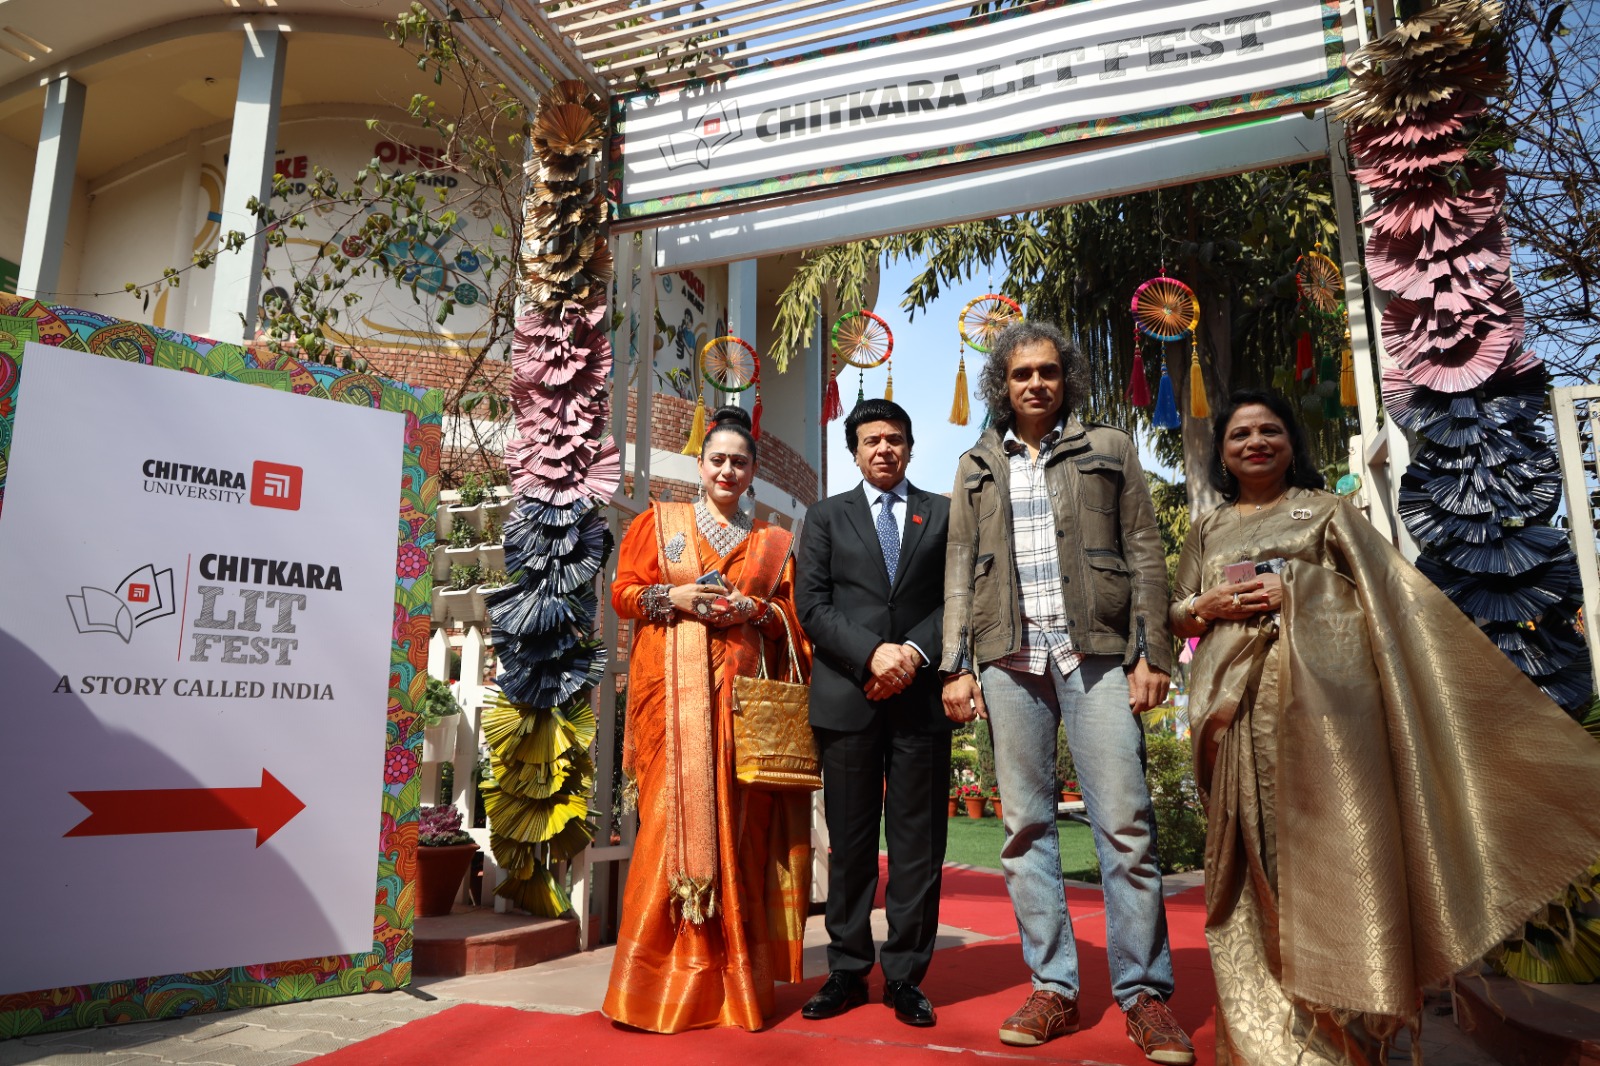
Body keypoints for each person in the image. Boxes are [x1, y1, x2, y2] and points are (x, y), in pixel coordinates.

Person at [1171, 390, 1600, 1065]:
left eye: (1269, 430)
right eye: (1240, 434)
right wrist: (1208, 602)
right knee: (1248, 872)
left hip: (1325, 721)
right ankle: (1265, 1045)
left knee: (1330, 864)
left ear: (1291, 443)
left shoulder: (1328, 511)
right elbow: (1178, 614)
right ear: (1222, 453)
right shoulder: (1209, 527)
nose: (1255, 442)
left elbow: (1388, 598)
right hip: (1233, 716)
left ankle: (1340, 1042)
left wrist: (1300, 588)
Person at [940, 321, 1194, 1065]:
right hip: (1007, 659)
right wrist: (956, 665)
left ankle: (1143, 995)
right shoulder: (976, 464)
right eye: (1021, 374)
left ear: (1066, 377)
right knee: (1024, 828)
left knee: (1126, 824)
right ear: (1003, 384)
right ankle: (1052, 985)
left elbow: (1145, 548)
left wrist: (1153, 652)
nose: (1035, 384)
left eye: (1047, 371)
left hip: (1099, 654)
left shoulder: (1108, 447)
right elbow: (959, 566)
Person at [602, 406, 813, 1033]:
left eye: (739, 462)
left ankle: (734, 986)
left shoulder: (772, 544)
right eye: (717, 459)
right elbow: (623, 592)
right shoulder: (660, 523)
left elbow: (794, 624)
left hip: (741, 706)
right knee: (667, 828)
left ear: (752, 472)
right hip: (670, 701)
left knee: (741, 837)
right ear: (700, 464)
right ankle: (651, 989)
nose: (727, 470)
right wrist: (674, 596)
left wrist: (756, 611)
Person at [795, 398, 952, 1028]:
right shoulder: (826, 516)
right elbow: (812, 604)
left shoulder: (942, 514)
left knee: (918, 846)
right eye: (871, 441)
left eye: (894, 439)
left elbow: (958, 596)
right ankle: (847, 969)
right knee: (851, 844)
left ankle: (906, 975)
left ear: (910, 447)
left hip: (920, 700)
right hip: (848, 698)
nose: (883, 449)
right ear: (855, 452)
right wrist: (872, 655)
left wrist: (912, 652)